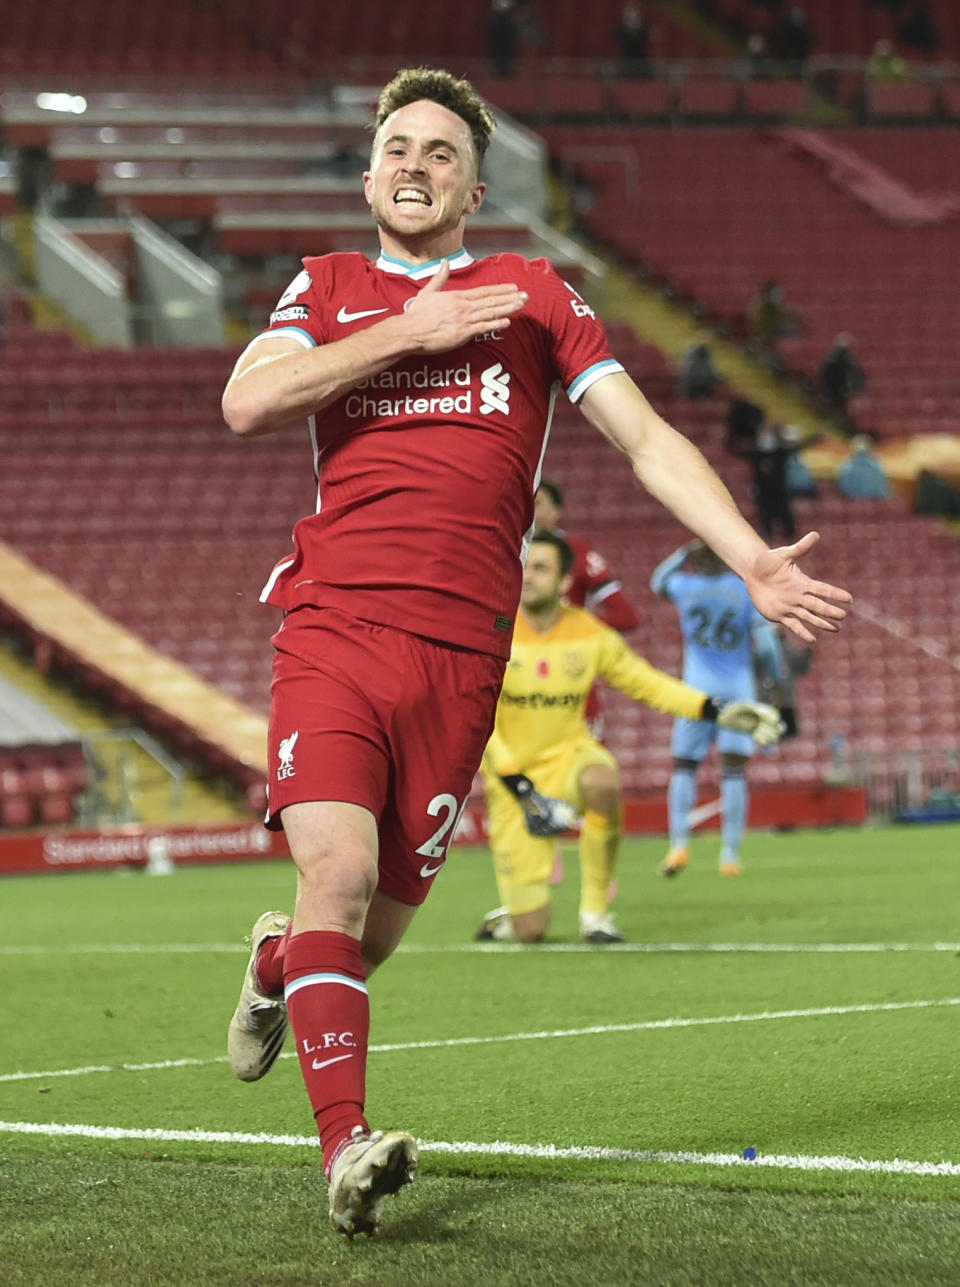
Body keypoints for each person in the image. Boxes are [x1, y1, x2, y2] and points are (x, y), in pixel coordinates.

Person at [220, 66, 850, 1241]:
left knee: (371, 931)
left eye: (441, 153)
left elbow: (648, 438)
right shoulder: (327, 285)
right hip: (337, 630)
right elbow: (249, 405)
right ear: (369, 175)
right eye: (397, 147)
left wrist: (751, 555)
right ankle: (344, 1152)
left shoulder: (530, 290)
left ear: (475, 187)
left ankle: (273, 975)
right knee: (339, 877)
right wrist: (408, 332)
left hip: (465, 660)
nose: (414, 165)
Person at [477, 532, 783, 943]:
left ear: (566, 581)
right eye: (525, 567)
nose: (528, 576)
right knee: (532, 931)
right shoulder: (492, 632)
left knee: (603, 781)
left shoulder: (589, 632)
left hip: (570, 757)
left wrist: (719, 710)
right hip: (511, 777)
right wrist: (517, 781)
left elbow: (648, 684)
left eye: (541, 568)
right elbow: (478, 720)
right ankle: (510, 919)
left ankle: (596, 915)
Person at [650, 540, 787, 877]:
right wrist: (777, 679)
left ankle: (679, 845)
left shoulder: (686, 586)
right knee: (734, 772)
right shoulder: (743, 589)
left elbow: (657, 582)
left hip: (696, 692)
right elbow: (767, 643)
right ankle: (730, 855)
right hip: (738, 689)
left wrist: (683, 552)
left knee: (684, 766)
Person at [533, 478, 639, 632]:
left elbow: (626, 616)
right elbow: (497, 620)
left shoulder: (576, 551)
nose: (527, 510)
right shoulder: (502, 550)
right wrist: (510, 629)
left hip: (564, 651)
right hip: (517, 651)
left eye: (536, 504)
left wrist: (573, 628)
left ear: (556, 512)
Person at [818, 332, 866, 427]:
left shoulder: (847, 361)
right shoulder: (835, 361)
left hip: (839, 393)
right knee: (836, 414)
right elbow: (827, 378)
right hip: (835, 393)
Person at [836, 435, 891, 500]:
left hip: (853, 501)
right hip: (874, 502)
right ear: (870, 450)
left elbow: (844, 487)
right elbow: (882, 489)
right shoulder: (877, 466)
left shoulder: (846, 467)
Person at [677, 332, 721, 400]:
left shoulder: (707, 354)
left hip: (704, 384)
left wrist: (717, 377)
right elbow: (688, 370)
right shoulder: (692, 353)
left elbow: (710, 369)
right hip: (692, 384)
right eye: (703, 340)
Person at [616, 0, 651, 78]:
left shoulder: (643, 26)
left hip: (639, 53)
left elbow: (645, 40)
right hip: (627, 53)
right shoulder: (623, 26)